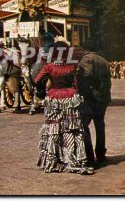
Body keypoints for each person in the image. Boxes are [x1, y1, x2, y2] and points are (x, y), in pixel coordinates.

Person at [34, 41, 94, 175]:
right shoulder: (72, 67)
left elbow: (37, 80)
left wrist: (44, 90)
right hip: (70, 99)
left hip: (54, 98)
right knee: (71, 129)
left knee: (54, 130)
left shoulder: (49, 67)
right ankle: (73, 158)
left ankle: (54, 160)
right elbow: (77, 83)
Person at [76, 38, 111, 166]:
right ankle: (101, 153)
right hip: (103, 98)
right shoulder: (104, 61)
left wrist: (82, 94)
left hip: (90, 98)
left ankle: (89, 155)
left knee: (83, 125)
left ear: (85, 48)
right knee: (100, 125)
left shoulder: (86, 60)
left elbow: (86, 77)